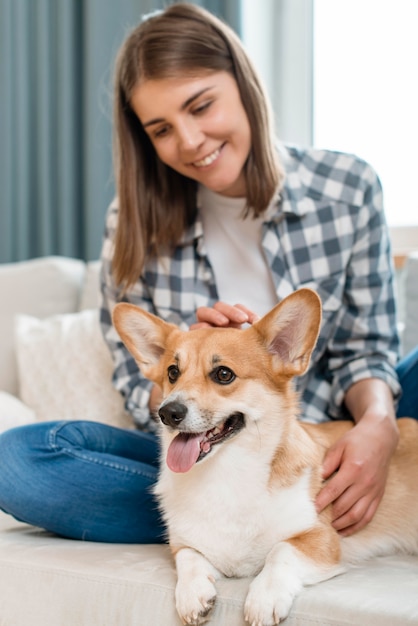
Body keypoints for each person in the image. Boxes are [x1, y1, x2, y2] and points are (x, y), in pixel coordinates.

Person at [0, 3, 417, 545]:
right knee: (18, 460)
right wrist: (183, 360)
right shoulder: (131, 225)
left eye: (201, 106)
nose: (191, 140)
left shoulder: (348, 186)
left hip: (324, 435)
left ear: (243, 85)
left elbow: (366, 351)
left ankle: (297, 502)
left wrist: (376, 429)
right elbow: (139, 387)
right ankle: (234, 523)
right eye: (162, 128)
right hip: (201, 454)